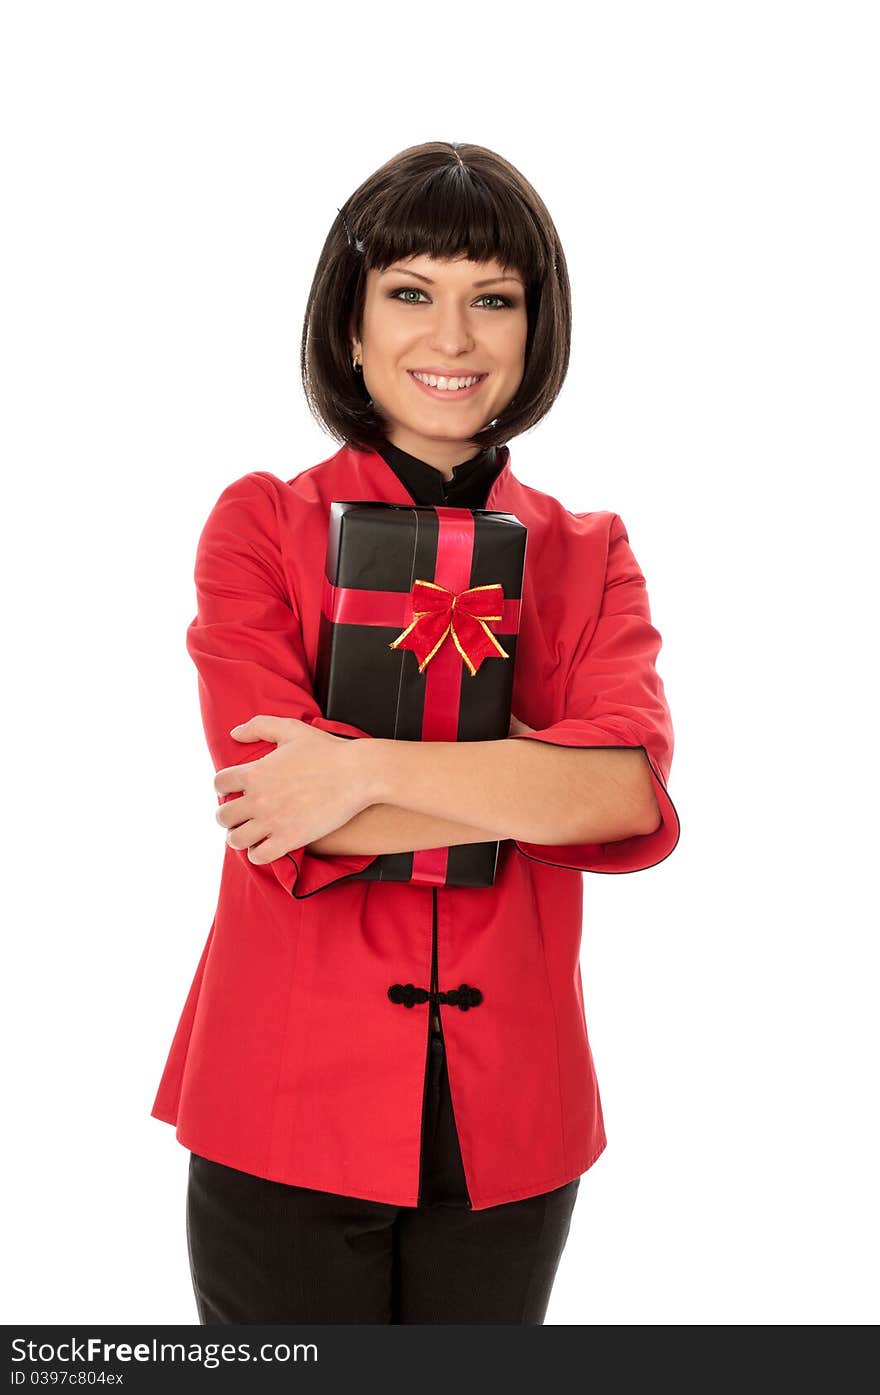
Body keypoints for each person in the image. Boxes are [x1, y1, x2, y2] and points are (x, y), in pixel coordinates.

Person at [152, 140, 681, 1324]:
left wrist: (360, 768)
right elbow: (276, 808)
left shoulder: (588, 552)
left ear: (533, 333)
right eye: (411, 293)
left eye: (492, 300)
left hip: (512, 1120)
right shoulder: (259, 526)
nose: (452, 339)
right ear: (350, 325)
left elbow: (624, 803)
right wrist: (520, 782)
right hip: (280, 1098)